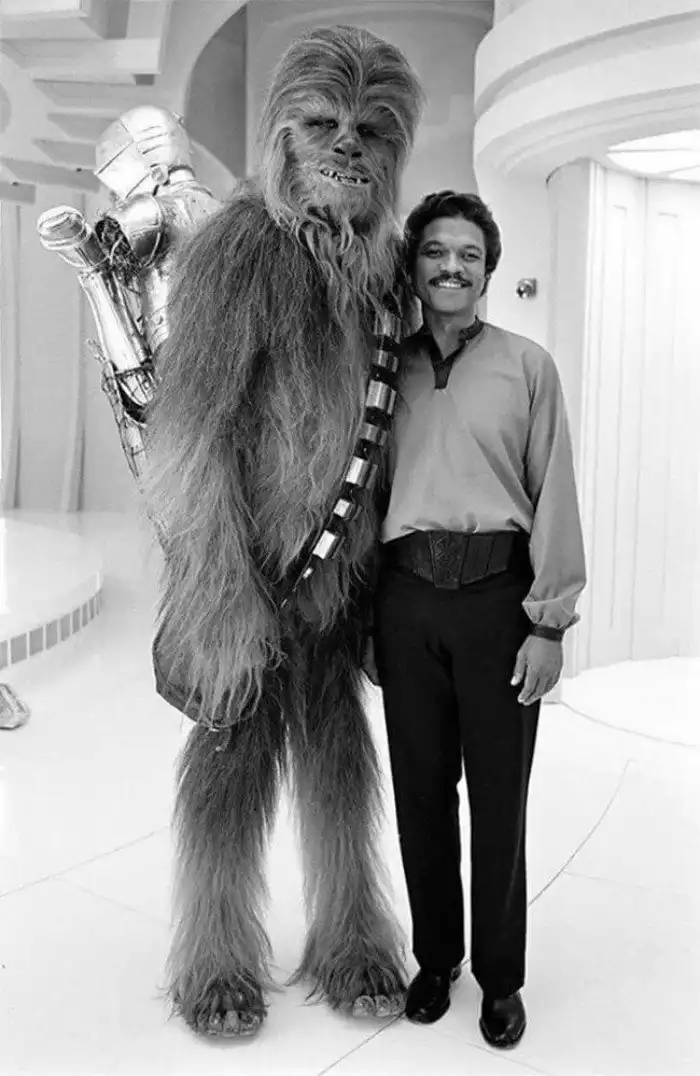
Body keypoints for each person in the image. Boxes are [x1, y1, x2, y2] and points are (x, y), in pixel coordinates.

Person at [142, 27, 423, 1039]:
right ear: (280, 134)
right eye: (321, 123)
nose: (346, 145)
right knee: (233, 759)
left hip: (340, 577)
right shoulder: (237, 249)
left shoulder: (389, 276)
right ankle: (212, 953)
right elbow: (188, 443)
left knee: (341, 752)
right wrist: (219, 594)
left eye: (370, 131)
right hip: (246, 569)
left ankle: (352, 933)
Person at [372, 190, 587, 1049]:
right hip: (405, 603)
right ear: (414, 267)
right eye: (435, 251)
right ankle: (436, 960)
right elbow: (364, 499)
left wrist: (550, 623)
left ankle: (501, 979)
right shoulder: (382, 371)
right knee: (420, 796)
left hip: (501, 604)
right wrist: (367, 621)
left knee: (500, 801)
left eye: (467, 253)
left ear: (488, 269)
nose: (451, 266)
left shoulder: (528, 367)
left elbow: (554, 491)